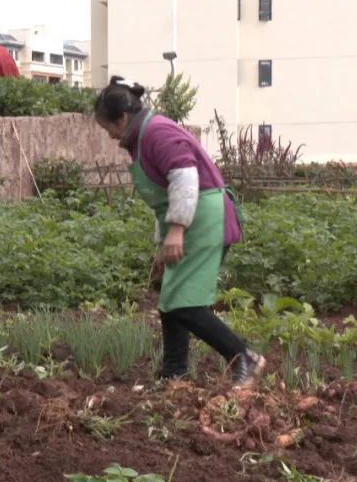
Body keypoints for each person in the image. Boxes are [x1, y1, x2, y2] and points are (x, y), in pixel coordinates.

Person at [93, 76, 266, 389]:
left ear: (122, 118)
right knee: (170, 300)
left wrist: (176, 231)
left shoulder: (157, 132)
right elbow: (165, 197)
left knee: (184, 303)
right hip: (191, 217)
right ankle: (174, 374)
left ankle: (243, 357)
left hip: (202, 216)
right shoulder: (144, 137)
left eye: (109, 128)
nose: (110, 137)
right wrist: (165, 242)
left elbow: (185, 178)